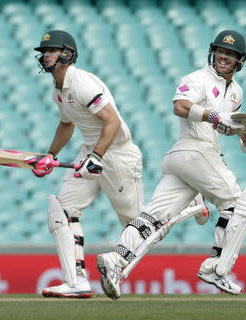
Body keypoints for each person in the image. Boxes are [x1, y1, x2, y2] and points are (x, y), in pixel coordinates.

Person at [31, 30, 209, 299]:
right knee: (62, 212)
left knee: (139, 226)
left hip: (116, 154)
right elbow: (67, 125)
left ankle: (188, 204)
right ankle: (76, 281)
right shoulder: (58, 90)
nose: (46, 56)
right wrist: (51, 155)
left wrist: (97, 156)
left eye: (51, 51)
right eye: (43, 52)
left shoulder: (82, 83)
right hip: (90, 152)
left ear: (67, 53)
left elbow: (111, 121)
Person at [96, 30, 246, 300]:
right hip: (193, 150)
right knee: (238, 205)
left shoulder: (235, 92)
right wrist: (211, 115)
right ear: (213, 52)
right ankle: (216, 267)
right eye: (221, 51)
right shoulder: (197, 78)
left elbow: (228, 125)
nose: (224, 57)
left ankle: (115, 260)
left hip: (190, 160)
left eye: (231, 55)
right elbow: (180, 106)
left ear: (239, 61)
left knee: (153, 218)